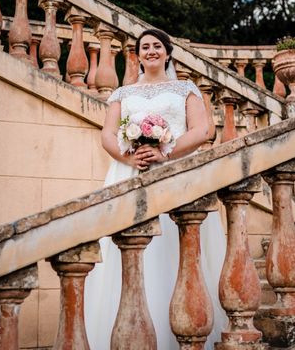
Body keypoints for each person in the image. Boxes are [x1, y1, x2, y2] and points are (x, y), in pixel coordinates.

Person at [84, 29, 227, 349]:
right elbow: (108, 135)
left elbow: (202, 129)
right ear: (138, 54)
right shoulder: (121, 93)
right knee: (129, 249)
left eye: (156, 46)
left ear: (167, 53)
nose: (151, 51)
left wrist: (165, 151)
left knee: (173, 249)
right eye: (144, 47)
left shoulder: (185, 89)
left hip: (174, 175)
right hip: (129, 174)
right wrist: (130, 156)